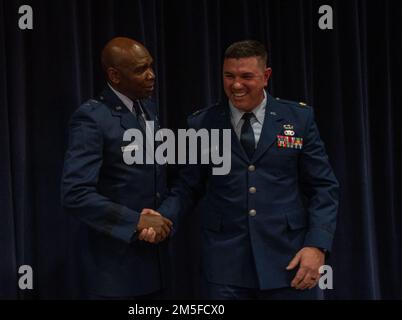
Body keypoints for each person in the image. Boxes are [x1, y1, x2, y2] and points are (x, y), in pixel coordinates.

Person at [142, 40, 339, 299]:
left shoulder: (298, 119)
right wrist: (161, 218)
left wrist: (317, 245)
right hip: (226, 266)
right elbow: (188, 186)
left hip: (289, 259)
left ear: (266, 76)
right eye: (229, 76)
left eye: (246, 76)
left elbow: (323, 187)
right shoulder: (202, 123)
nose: (236, 85)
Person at [61, 37, 173, 299]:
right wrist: (136, 221)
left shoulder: (148, 109)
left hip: (154, 263)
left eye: (151, 66)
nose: (151, 75)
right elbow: (75, 194)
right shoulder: (92, 118)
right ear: (115, 75)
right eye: (140, 69)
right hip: (114, 270)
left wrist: (161, 218)